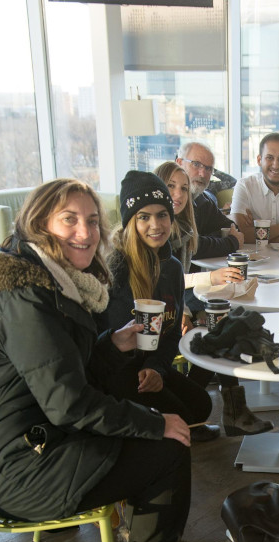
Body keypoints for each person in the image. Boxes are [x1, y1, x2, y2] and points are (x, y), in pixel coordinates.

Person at [0, 178, 212, 542]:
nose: (85, 233)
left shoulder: (53, 284)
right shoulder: (26, 298)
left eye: (92, 220)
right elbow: (68, 403)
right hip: (22, 466)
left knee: (166, 432)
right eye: (69, 220)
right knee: (167, 446)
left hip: (43, 441)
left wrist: (112, 345)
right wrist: (151, 423)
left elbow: (72, 377)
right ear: (39, 224)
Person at [95, 170, 219, 441]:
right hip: (115, 376)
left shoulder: (172, 268)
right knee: (183, 414)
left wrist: (156, 368)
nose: (156, 225)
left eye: (162, 215)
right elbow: (97, 346)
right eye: (144, 217)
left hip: (150, 369)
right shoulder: (113, 268)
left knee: (202, 405)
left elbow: (172, 332)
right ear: (131, 221)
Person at [153, 161, 273, 437]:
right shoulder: (157, 230)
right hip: (157, 308)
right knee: (223, 324)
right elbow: (158, 281)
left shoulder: (182, 228)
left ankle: (220, 409)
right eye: (171, 186)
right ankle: (223, 410)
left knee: (223, 321)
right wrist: (208, 281)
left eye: (183, 188)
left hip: (176, 299)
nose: (179, 194)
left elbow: (177, 275)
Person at [176, 141, 244, 260]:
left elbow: (232, 229)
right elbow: (186, 246)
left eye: (208, 168)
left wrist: (204, 239)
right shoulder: (165, 199)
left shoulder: (203, 200)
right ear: (179, 163)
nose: (202, 173)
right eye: (196, 164)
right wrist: (230, 242)